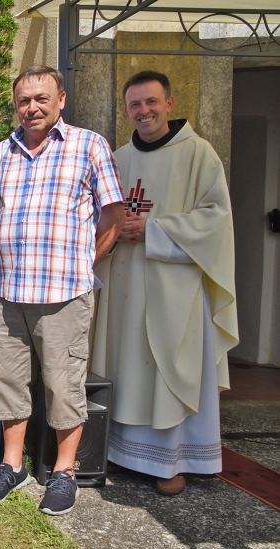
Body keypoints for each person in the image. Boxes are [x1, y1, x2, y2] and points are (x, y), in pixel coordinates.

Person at [0, 65, 123, 515]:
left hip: (65, 293)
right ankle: (12, 464)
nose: (32, 107)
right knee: (6, 381)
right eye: (24, 100)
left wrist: (82, 262)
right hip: (4, 291)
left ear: (61, 100)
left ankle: (64, 471)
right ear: (15, 105)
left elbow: (112, 216)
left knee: (63, 384)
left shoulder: (89, 145)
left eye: (42, 98)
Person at [91, 71, 238, 496]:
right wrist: (115, 232)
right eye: (135, 105)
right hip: (125, 285)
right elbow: (100, 215)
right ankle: (120, 453)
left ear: (170, 104)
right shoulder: (116, 158)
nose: (144, 111)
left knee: (170, 368)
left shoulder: (199, 154)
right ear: (126, 111)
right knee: (125, 364)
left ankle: (172, 461)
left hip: (175, 289)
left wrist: (153, 230)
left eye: (152, 102)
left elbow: (216, 220)